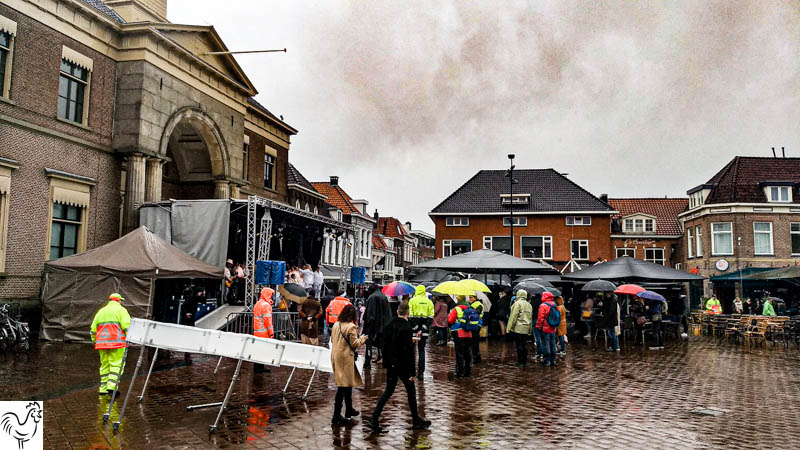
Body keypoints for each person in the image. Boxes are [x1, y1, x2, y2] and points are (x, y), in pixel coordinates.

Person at [368, 303, 432, 432]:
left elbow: (386, 345)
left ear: (398, 312)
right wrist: (412, 372)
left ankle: (374, 418)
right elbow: (407, 352)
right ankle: (415, 419)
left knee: (388, 391)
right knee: (411, 392)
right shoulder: (406, 328)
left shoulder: (389, 326)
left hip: (391, 364)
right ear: (407, 313)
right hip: (403, 366)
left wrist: (387, 361)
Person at [330, 304, 367, 426]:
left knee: (346, 384)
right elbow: (355, 343)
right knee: (342, 386)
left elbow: (332, 340)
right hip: (345, 358)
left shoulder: (336, 325)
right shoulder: (351, 327)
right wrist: (363, 338)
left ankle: (349, 409)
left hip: (336, 356)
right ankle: (336, 415)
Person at [90, 293, 131, 395]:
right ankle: (112, 388)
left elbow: (93, 330)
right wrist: (130, 338)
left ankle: (103, 389)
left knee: (104, 365)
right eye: (121, 300)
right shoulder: (121, 310)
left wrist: (95, 341)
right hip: (117, 343)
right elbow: (127, 327)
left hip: (102, 344)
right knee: (116, 365)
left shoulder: (101, 312)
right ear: (118, 301)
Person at [448, 295, 478, 378]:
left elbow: (450, 320)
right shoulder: (470, 308)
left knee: (459, 353)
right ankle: (468, 371)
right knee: (467, 353)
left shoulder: (456, 309)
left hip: (458, 333)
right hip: (469, 333)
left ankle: (459, 372)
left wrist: (449, 315)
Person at [363, 284, 392, 368]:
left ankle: (367, 361)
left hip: (373, 325)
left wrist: (368, 324)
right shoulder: (383, 296)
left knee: (368, 342)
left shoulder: (372, 297)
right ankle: (381, 358)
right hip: (383, 325)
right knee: (381, 343)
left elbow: (370, 314)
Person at [408, 285, 434, 377]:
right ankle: (421, 372)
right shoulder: (429, 302)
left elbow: (410, 316)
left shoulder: (412, 301)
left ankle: (411, 371)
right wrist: (422, 329)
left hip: (413, 330)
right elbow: (431, 317)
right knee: (421, 350)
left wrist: (416, 328)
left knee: (411, 351)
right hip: (424, 330)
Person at [507, 289, 532, 367]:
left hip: (518, 327)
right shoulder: (529, 305)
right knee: (524, 345)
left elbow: (513, 317)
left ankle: (520, 361)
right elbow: (530, 318)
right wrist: (530, 330)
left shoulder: (517, 304)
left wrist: (509, 327)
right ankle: (525, 361)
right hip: (526, 327)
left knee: (519, 345)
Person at [253, 287, 275, 373]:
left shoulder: (258, 303)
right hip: (264, 332)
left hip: (257, 331)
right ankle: (259, 368)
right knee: (262, 350)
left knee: (258, 350)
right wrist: (271, 332)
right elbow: (267, 320)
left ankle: (258, 367)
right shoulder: (266, 305)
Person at [535, 292, 559, 366]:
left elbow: (540, 318)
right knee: (553, 344)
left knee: (546, 344)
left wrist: (538, 326)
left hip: (545, 328)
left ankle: (547, 361)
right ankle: (553, 360)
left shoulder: (543, 305)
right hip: (553, 327)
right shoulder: (554, 304)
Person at [470, 296, 485, 363]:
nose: (469, 299)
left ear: (475, 298)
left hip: (476, 325)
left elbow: (477, 313)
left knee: (475, 341)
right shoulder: (474, 304)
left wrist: (470, 310)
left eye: (471, 297)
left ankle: (476, 357)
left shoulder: (478, 304)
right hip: (474, 325)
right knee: (474, 341)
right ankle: (476, 357)